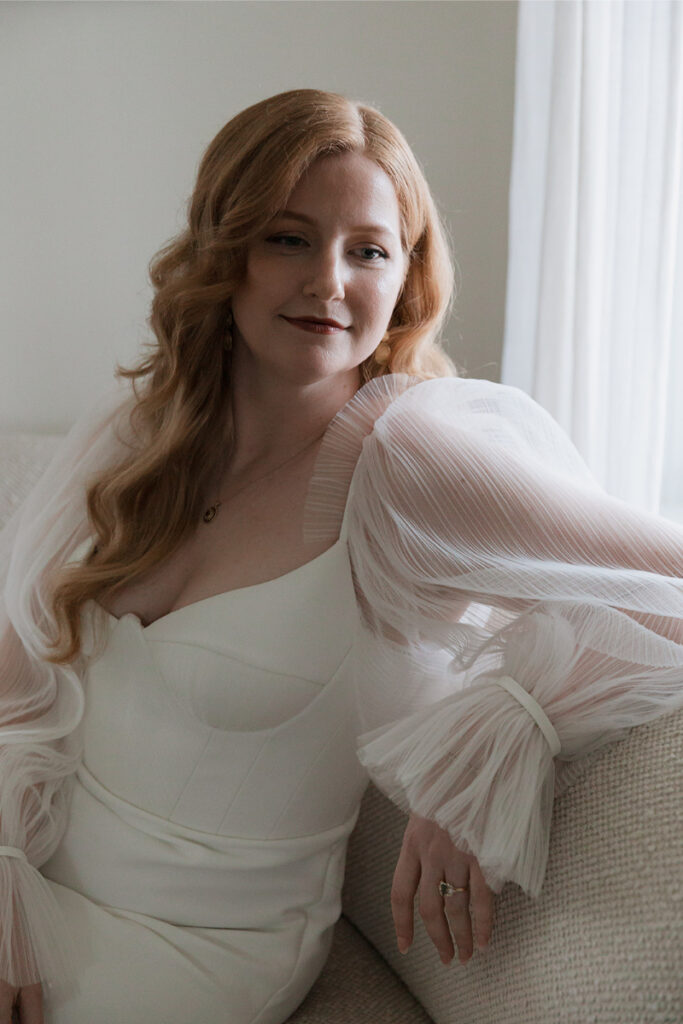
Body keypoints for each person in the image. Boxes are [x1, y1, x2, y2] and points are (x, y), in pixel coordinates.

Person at [1, 88, 683, 1024]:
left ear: (406, 276)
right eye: (287, 238)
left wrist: (499, 728)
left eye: (368, 249)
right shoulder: (143, 434)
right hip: (32, 890)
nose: (329, 281)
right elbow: (17, 670)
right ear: (223, 250)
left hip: (196, 955)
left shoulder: (409, 463)